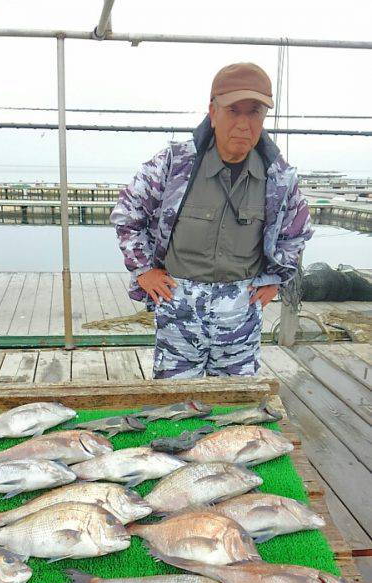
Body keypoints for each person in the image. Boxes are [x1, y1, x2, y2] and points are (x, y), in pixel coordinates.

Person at [111, 62, 313, 378]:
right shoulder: (174, 164)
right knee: (175, 399)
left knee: (235, 401)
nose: (244, 124)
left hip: (240, 311)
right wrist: (144, 270)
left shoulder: (279, 178)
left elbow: (296, 233)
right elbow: (128, 212)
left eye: (255, 112)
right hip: (179, 307)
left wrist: (275, 279)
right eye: (233, 111)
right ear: (213, 112)